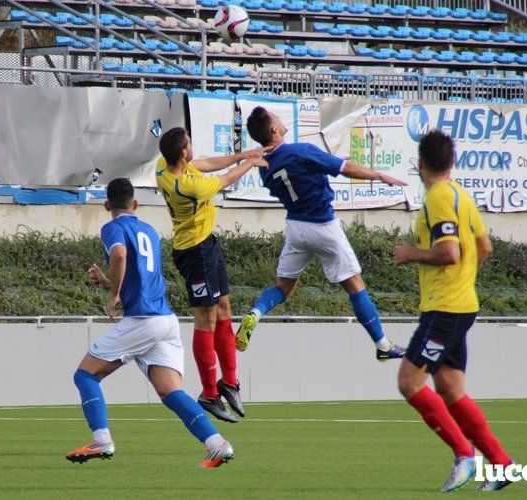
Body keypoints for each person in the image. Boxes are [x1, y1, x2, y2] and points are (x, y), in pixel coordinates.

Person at [66, 178, 234, 468]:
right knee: (170, 391)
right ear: (135, 204)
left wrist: (114, 294)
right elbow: (141, 275)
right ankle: (217, 445)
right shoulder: (150, 231)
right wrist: (110, 282)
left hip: (143, 319)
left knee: (85, 376)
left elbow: (119, 254)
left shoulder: (112, 227)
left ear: (107, 205)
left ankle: (102, 439)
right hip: (165, 321)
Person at [393, 130, 514, 492]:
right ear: (452, 161)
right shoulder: (462, 193)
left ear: (420, 163)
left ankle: (464, 454)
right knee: (449, 389)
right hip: (462, 305)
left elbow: (450, 253)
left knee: (408, 382)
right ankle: (502, 464)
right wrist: (464, 280)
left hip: (444, 309)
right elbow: (485, 247)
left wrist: (412, 253)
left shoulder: (438, 197)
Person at [236, 106, 406, 361]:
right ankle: (382, 345)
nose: (281, 120)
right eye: (277, 117)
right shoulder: (301, 150)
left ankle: (256, 312)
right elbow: (345, 168)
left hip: (296, 228)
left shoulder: (264, 166)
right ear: (274, 129)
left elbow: (297, 176)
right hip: (323, 226)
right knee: (355, 286)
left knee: (283, 287)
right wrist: (379, 175)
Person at [157, 127, 268, 423]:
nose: (193, 148)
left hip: (207, 245)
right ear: (182, 153)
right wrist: (249, 163)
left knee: (224, 310)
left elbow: (206, 163)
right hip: (194, 253)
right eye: (190, 144)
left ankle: (229, 383)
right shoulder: (189, 186)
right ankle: (209, 393)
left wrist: (243, 154)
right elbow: (223, 179)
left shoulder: (163, 166)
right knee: (205, 319)